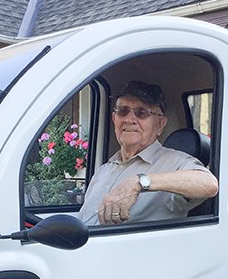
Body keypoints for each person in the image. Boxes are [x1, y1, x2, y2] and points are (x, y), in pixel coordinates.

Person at [78, 81, 219, 226]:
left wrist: (139, 182)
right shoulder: (104, 170)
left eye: (142, 113)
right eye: (123, 111)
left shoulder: (173, 162)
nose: (129, 119)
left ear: (160, 124)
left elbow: (209, 184)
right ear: (114, 119)